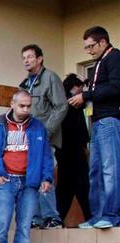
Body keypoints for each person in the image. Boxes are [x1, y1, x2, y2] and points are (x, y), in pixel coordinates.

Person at [0, 90, 54, 243]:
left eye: (29, 106)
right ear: (12, 105)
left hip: (29, 183)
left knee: (23, 228)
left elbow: (46, 155)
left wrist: (46, 178)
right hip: (6, 182)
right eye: (22, 106)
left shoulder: (38, 127)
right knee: (2, 226)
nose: (25, 110)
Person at [69, 26, 120, 229]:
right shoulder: (99, 62)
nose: (89, 50)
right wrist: (87, 86)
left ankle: (111, 214)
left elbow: (116, 87)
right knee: (95, 171)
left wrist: (87, 95)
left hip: (110, 120)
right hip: (97, 121)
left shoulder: (114, 57)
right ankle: (97, 215)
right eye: (86, 47)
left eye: (91, 46)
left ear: (102, 42)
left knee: (110, 169)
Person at [19, 44, 67, 229]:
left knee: (44, 174)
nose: (26, 60)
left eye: (30, 56)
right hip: (28, 138)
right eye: (23, 57)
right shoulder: (24, 84)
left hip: (44, 136)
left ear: (40, 59)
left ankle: (51, 217)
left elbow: (61, 106)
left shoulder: (50, 78)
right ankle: (36, 217)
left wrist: (46, 131)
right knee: (31, 176)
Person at [57, 74, 92, 223]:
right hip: (74, 151)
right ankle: (90, 217)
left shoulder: (61, 100)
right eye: (80, 88)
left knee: (66, 187)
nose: (81, 92)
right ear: (75, 87)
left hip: (64, 151)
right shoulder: (71, 102)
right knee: (81, 185)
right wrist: (87, 82)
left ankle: (58, 218)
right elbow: (89, 104)